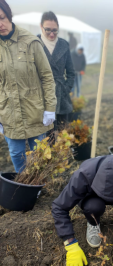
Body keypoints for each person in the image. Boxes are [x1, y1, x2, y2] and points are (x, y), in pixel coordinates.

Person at [0, 0, 56, 173]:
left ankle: (37, 186)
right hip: (9, 112)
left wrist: (50, 108)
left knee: (38, 154)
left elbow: (47, 76)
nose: (0, 24)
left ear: (9, 16)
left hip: (34, 110)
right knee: (16, 154)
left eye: (2, 18)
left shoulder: (30, 41)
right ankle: (24, 184)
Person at [38, 11, 75, 133]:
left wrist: (66, 88)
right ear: (41, 26)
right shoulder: (34, 43)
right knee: (45, 138)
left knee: (62, 136)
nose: (52, 34)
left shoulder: (64, 44)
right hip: (41, 96)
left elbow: (71, 72)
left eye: (55, 30)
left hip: (61, 95)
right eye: (48, 30)